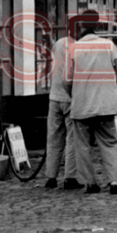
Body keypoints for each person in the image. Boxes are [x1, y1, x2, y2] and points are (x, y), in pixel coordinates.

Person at [67, 27, 117, 194]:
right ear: (96, 34)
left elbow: (67, 79)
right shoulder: (108, 45)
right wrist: (111, 88)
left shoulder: (74, 48)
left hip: (82, 106)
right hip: (106, 105)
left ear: (81, 36)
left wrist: (74, 95)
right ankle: (114, 182)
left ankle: (90, 183)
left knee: (82, 146)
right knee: (109, 143)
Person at [42, 30, 79, 190]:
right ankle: (70, 177)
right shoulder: (79, 47)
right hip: (71, 97)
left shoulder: (58, 44)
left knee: (53, 139)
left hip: (54, 96)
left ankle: (51, 176)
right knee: (72, 139)